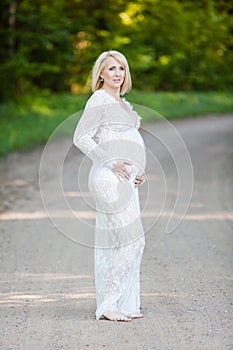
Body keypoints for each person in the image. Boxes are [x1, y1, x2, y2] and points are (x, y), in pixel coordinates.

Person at [73, 50, 146, 322]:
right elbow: (81, 137)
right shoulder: (99, 100)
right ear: (100, 74)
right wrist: (111, 161)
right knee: (132, 241)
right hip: (107, 179)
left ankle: (124, 303)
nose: (118, 73)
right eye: (112, 69)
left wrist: (137, 171)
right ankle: (108, 304)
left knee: (122, 242)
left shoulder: (123, 103)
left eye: (122, 69)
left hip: (126, 181)